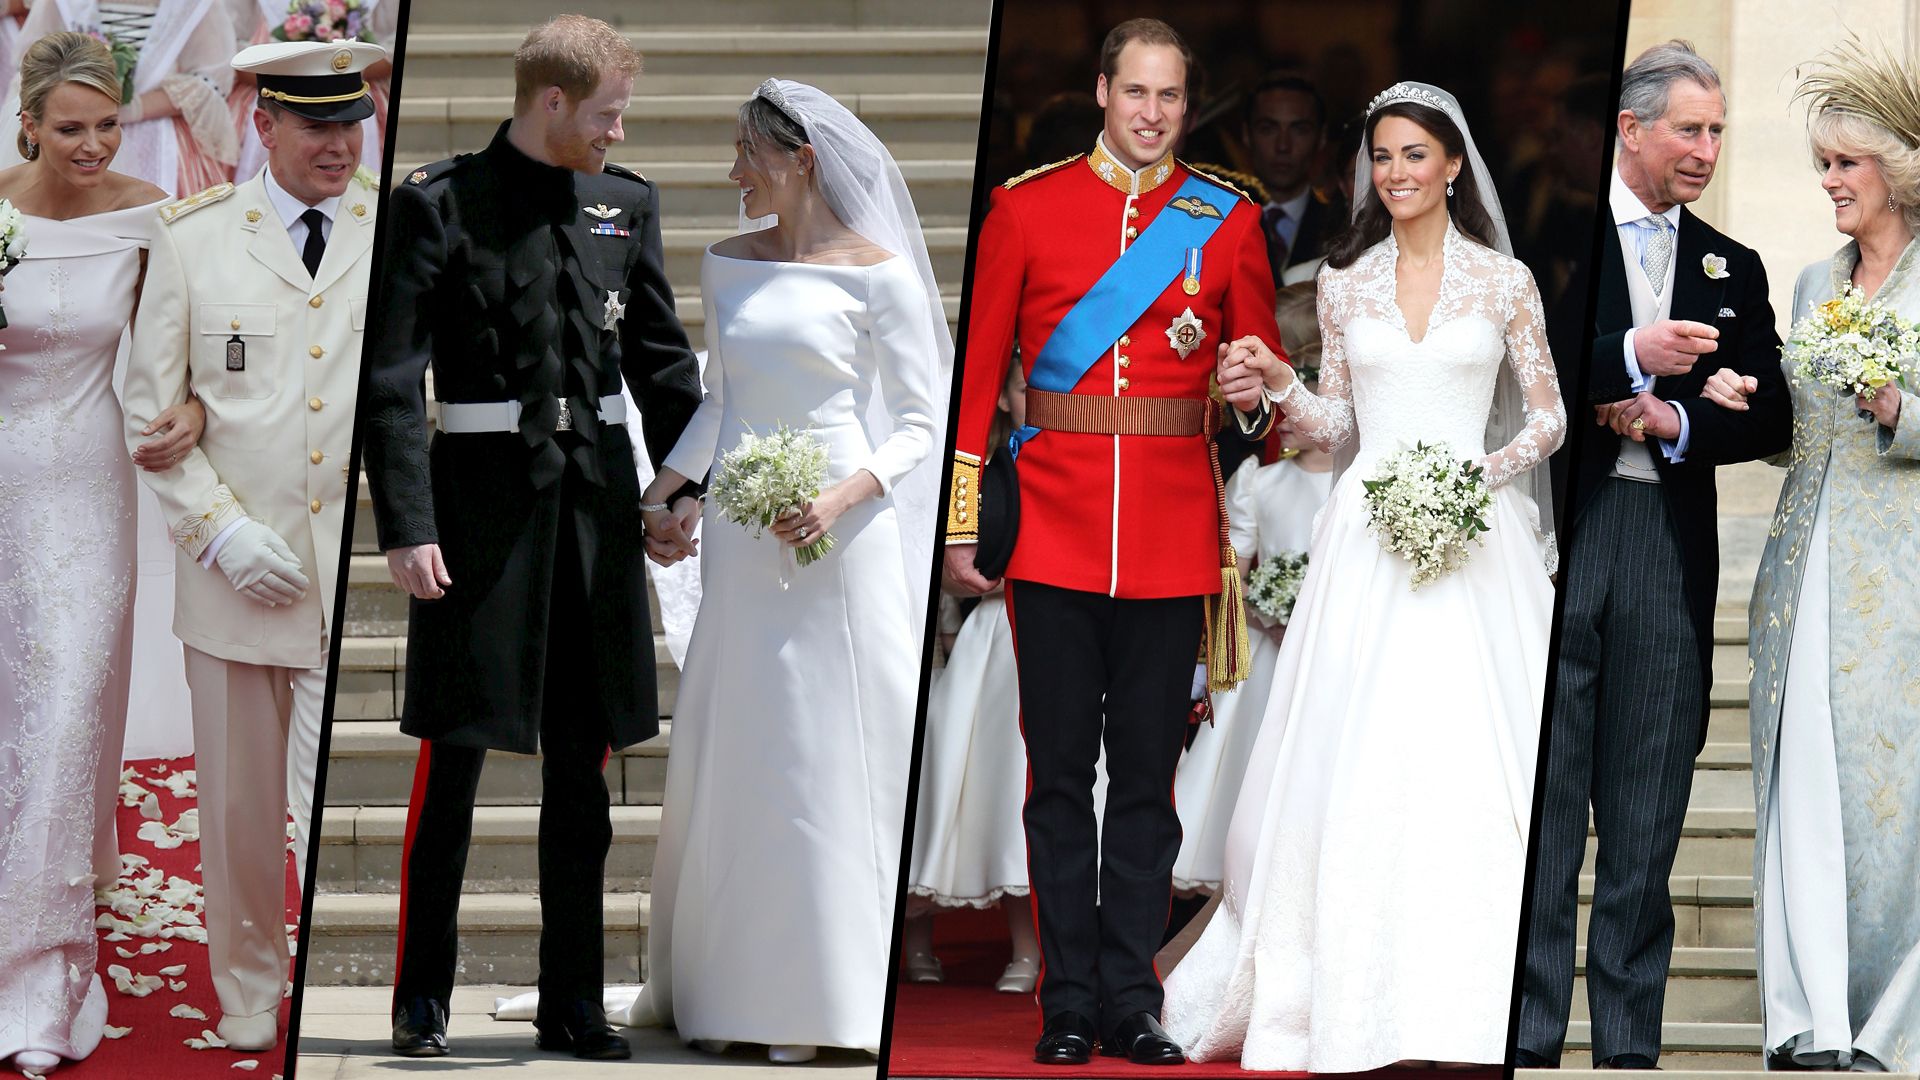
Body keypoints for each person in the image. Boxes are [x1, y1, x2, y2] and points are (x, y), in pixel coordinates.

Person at [1161, 80, 1563, 1072]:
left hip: (1474, 540)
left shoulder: (1505, 282)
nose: (1395, 174)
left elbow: (1547, 419)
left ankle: (1476, 995)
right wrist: (1286, 389)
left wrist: (1475, 478)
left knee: (1471, 760)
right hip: (1367, 537)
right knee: (1355, 761)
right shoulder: (1344, 283)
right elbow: (1339, 429)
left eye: (1415, 155)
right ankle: (1337, 996)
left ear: (1454, 165)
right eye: (1382, 157)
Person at [943, 17, 1282, 1067]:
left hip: (1174, 534)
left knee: (1146, 782)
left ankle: (1134, 998)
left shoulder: (1224, 219)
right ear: (1101, 92)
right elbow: (976, 383)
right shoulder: (1025, 208)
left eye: (1169, 98)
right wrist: (964, 523)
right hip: (1049, 531)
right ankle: (1067, 999)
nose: (1151, 114)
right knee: (1056, 781)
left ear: (1190, 103)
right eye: (1135, 93)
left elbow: (1260, 395)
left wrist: (1255, 395)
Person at [363, 15, 702, 1062]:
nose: (617, 130)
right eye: (605, 113)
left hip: (594, 518)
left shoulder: (623, 202)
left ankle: (571, 1003)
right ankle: (421, 999)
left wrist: (682, 492)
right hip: (475, 519)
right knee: (453, 767)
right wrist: (407, 527)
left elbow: (660, 362)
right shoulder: (433, 205)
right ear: (551, 101)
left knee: (581, 777)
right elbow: (389, 382)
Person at [613, 75, 945, 1063]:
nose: (731, 172)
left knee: (832, 750)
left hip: (843, 539)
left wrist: (841, 497)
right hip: (746, 547)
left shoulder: (878, 273)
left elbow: (923, 423)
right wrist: (665, 492)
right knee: (752, 751)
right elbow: (723, 400)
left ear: (799, 160)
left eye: (746, 155)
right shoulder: (726, 264)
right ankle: (741, 991)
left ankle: (832, 1002)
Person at [1517, 41, 1791, 1069]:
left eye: (1717, 131)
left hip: (1667, 552)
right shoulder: (1550, 237)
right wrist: (1631, 363)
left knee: (1646, 816)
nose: (1707, 149)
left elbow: (1768, 412)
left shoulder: (1734, 263)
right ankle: (1532, 1035)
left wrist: (1671, 419)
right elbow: (1526, 370)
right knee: (1546, 817)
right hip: (1562, 541)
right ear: (1630, 131)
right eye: (1690, 128)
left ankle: (1628, 1047)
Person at [120, 35, 383, 1054]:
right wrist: (218, 532)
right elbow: (152, 413)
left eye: (351, 124)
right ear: (263, 125)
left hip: (353, 575)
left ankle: (332, 985)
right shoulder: (192, 238)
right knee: (234, 809)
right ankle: (245, 982)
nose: (338, 144)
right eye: (316, 125)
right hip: (236, 578)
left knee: (333, 798)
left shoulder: (395, 231)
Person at [1696, 41, 1920, 1072]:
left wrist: (1899, 409)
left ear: (1896, 169)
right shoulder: (1808, 281)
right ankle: (1810, 1019)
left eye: (1845, 164)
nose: (1828, 181)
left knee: (1894, 798)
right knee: (1806, 783)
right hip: (1799, 564)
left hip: (1900, 573)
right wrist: (1752, 405)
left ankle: (1888, 1024)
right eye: (1822, 164)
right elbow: (1801, 432)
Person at [0, 30, 197, 1075]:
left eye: (108, 124)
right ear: (27, 120)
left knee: (68, 709)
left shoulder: (150, 217)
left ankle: (44, 966)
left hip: (86, 492)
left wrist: (197, 408)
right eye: (69, 127)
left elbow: (193, 340)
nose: (91, 144)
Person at [1169, 284, 1333, 898]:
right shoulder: (1260, 481)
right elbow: (1232, 559)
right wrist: (1263, 602)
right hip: (1268, 645)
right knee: (1249, 754)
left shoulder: (1354, 485)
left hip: (1329, 643)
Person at [12, 0, 239, 196]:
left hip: (161, 132)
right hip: (70, 124)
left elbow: (211, 77)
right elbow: (32, 64)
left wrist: (136, 108)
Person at [1243, 73, 1344, 283]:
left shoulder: (1340, 225)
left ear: (1321, 137)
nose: (1283, 146)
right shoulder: (1220, 217)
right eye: (1268, 129)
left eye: (1300, 130)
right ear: (1247, 135)